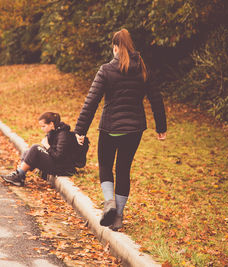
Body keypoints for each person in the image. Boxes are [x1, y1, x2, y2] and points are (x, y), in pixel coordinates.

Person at [74, 29, 167, 231]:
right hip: (134, 130)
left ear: (115, 47)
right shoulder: (142, 67)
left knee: (105, 165)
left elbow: (91, 101)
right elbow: (156, 97)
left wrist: (80, 130)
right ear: (130, 46)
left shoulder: (106, 69)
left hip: (110, 128)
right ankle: (118, 216)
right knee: (123, 169)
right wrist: (161, 127)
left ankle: (109, 203)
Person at [1, 112, 76, 186]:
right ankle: (20, 175)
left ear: (51, 124)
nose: (41, 129)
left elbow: (59, 156)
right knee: (28, 151)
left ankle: (19, 175)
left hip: (62, 168)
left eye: (43, 126)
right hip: (56, 163)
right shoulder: (53, 132)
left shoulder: (63, 135)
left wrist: (47, 146)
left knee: (35, 148)